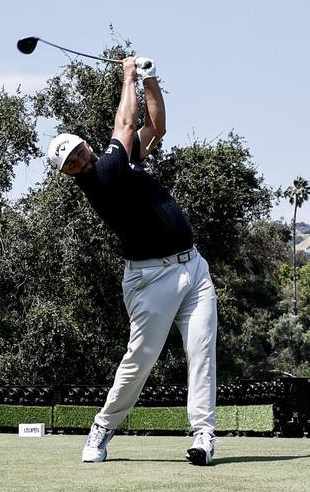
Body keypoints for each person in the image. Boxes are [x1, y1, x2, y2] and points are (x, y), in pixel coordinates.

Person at [48, 56, 218, 466]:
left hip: (193, 268)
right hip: (149, 279)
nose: (80, 160)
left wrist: (150, 77)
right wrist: (127, 75)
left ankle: (204, 435)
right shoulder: (103, 176)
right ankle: (103, 427)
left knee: (202, 350)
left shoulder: (119, 162)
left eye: (79, 151)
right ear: (69, 174)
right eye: (71, 162)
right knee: (140, 359)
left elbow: (156, 127)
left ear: (86, 144)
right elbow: (125, 126)